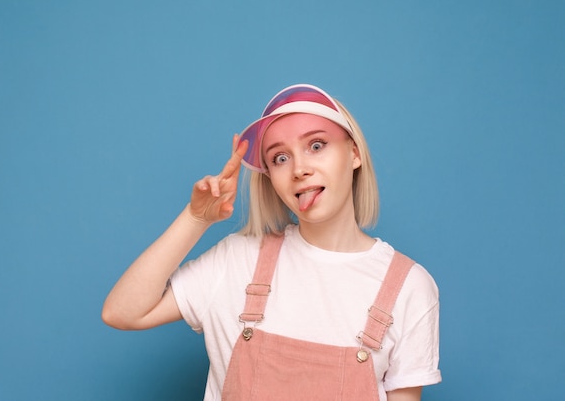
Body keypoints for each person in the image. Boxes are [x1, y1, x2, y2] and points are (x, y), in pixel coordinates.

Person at [102, 84, 441, 401]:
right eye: (280, 157)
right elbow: (122, 313)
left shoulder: (409, 287)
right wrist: (196, 219)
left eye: (316, 145)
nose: (299, 169)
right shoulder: (236, 261)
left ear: (354, 153)